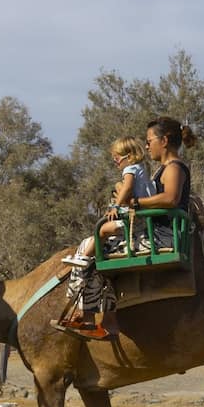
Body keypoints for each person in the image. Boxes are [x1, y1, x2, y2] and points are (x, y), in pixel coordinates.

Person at [61, 116, 195, 340]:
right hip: (153, 232)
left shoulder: (173, 167)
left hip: (160, 236)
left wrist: (133, 204)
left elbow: (171, 198)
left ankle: (87, 315)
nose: (146, 145)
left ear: (164, 140)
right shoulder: (163, 169)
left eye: (149, 140)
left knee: (91, 247)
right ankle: (106, 320)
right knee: (99, 249)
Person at [62, 137, 156, 335]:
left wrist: (115, 205)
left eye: (117, 158)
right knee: (101, 233)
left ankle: (82, 260)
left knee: (100, 232)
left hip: (135, 223)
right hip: (141, 222)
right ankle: (96, 314)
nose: (115, 161)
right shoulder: (143, 171)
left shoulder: (130, 170)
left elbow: (128, 188)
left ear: (128, 157)